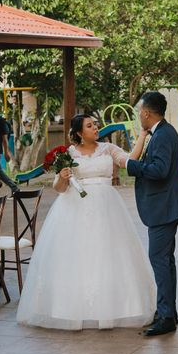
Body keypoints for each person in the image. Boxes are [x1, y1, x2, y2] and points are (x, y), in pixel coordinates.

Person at [17, 114, 156, 330]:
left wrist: (143, 136)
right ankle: (72, 309)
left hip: (107, 208)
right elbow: (59, 188)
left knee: (109, 254)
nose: (95, 128)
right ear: (80, 133)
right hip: (75, 208)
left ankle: (115, 307)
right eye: (89, 126)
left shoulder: (108, 149)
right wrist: (62, 176)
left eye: (95, 124)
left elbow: (130, 160)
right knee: (78, 256)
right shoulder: (68, 154)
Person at [122, 91, 178, 337]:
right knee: (165, 261)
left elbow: (159, 170)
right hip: (167, 206)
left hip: (163, 208)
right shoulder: (163, 132)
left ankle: (166, 317)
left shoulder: (162, 135)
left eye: (140, 110)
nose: (139, 114)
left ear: (147, 113)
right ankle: (168, 311)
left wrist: (132, 166)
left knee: (159, 260)